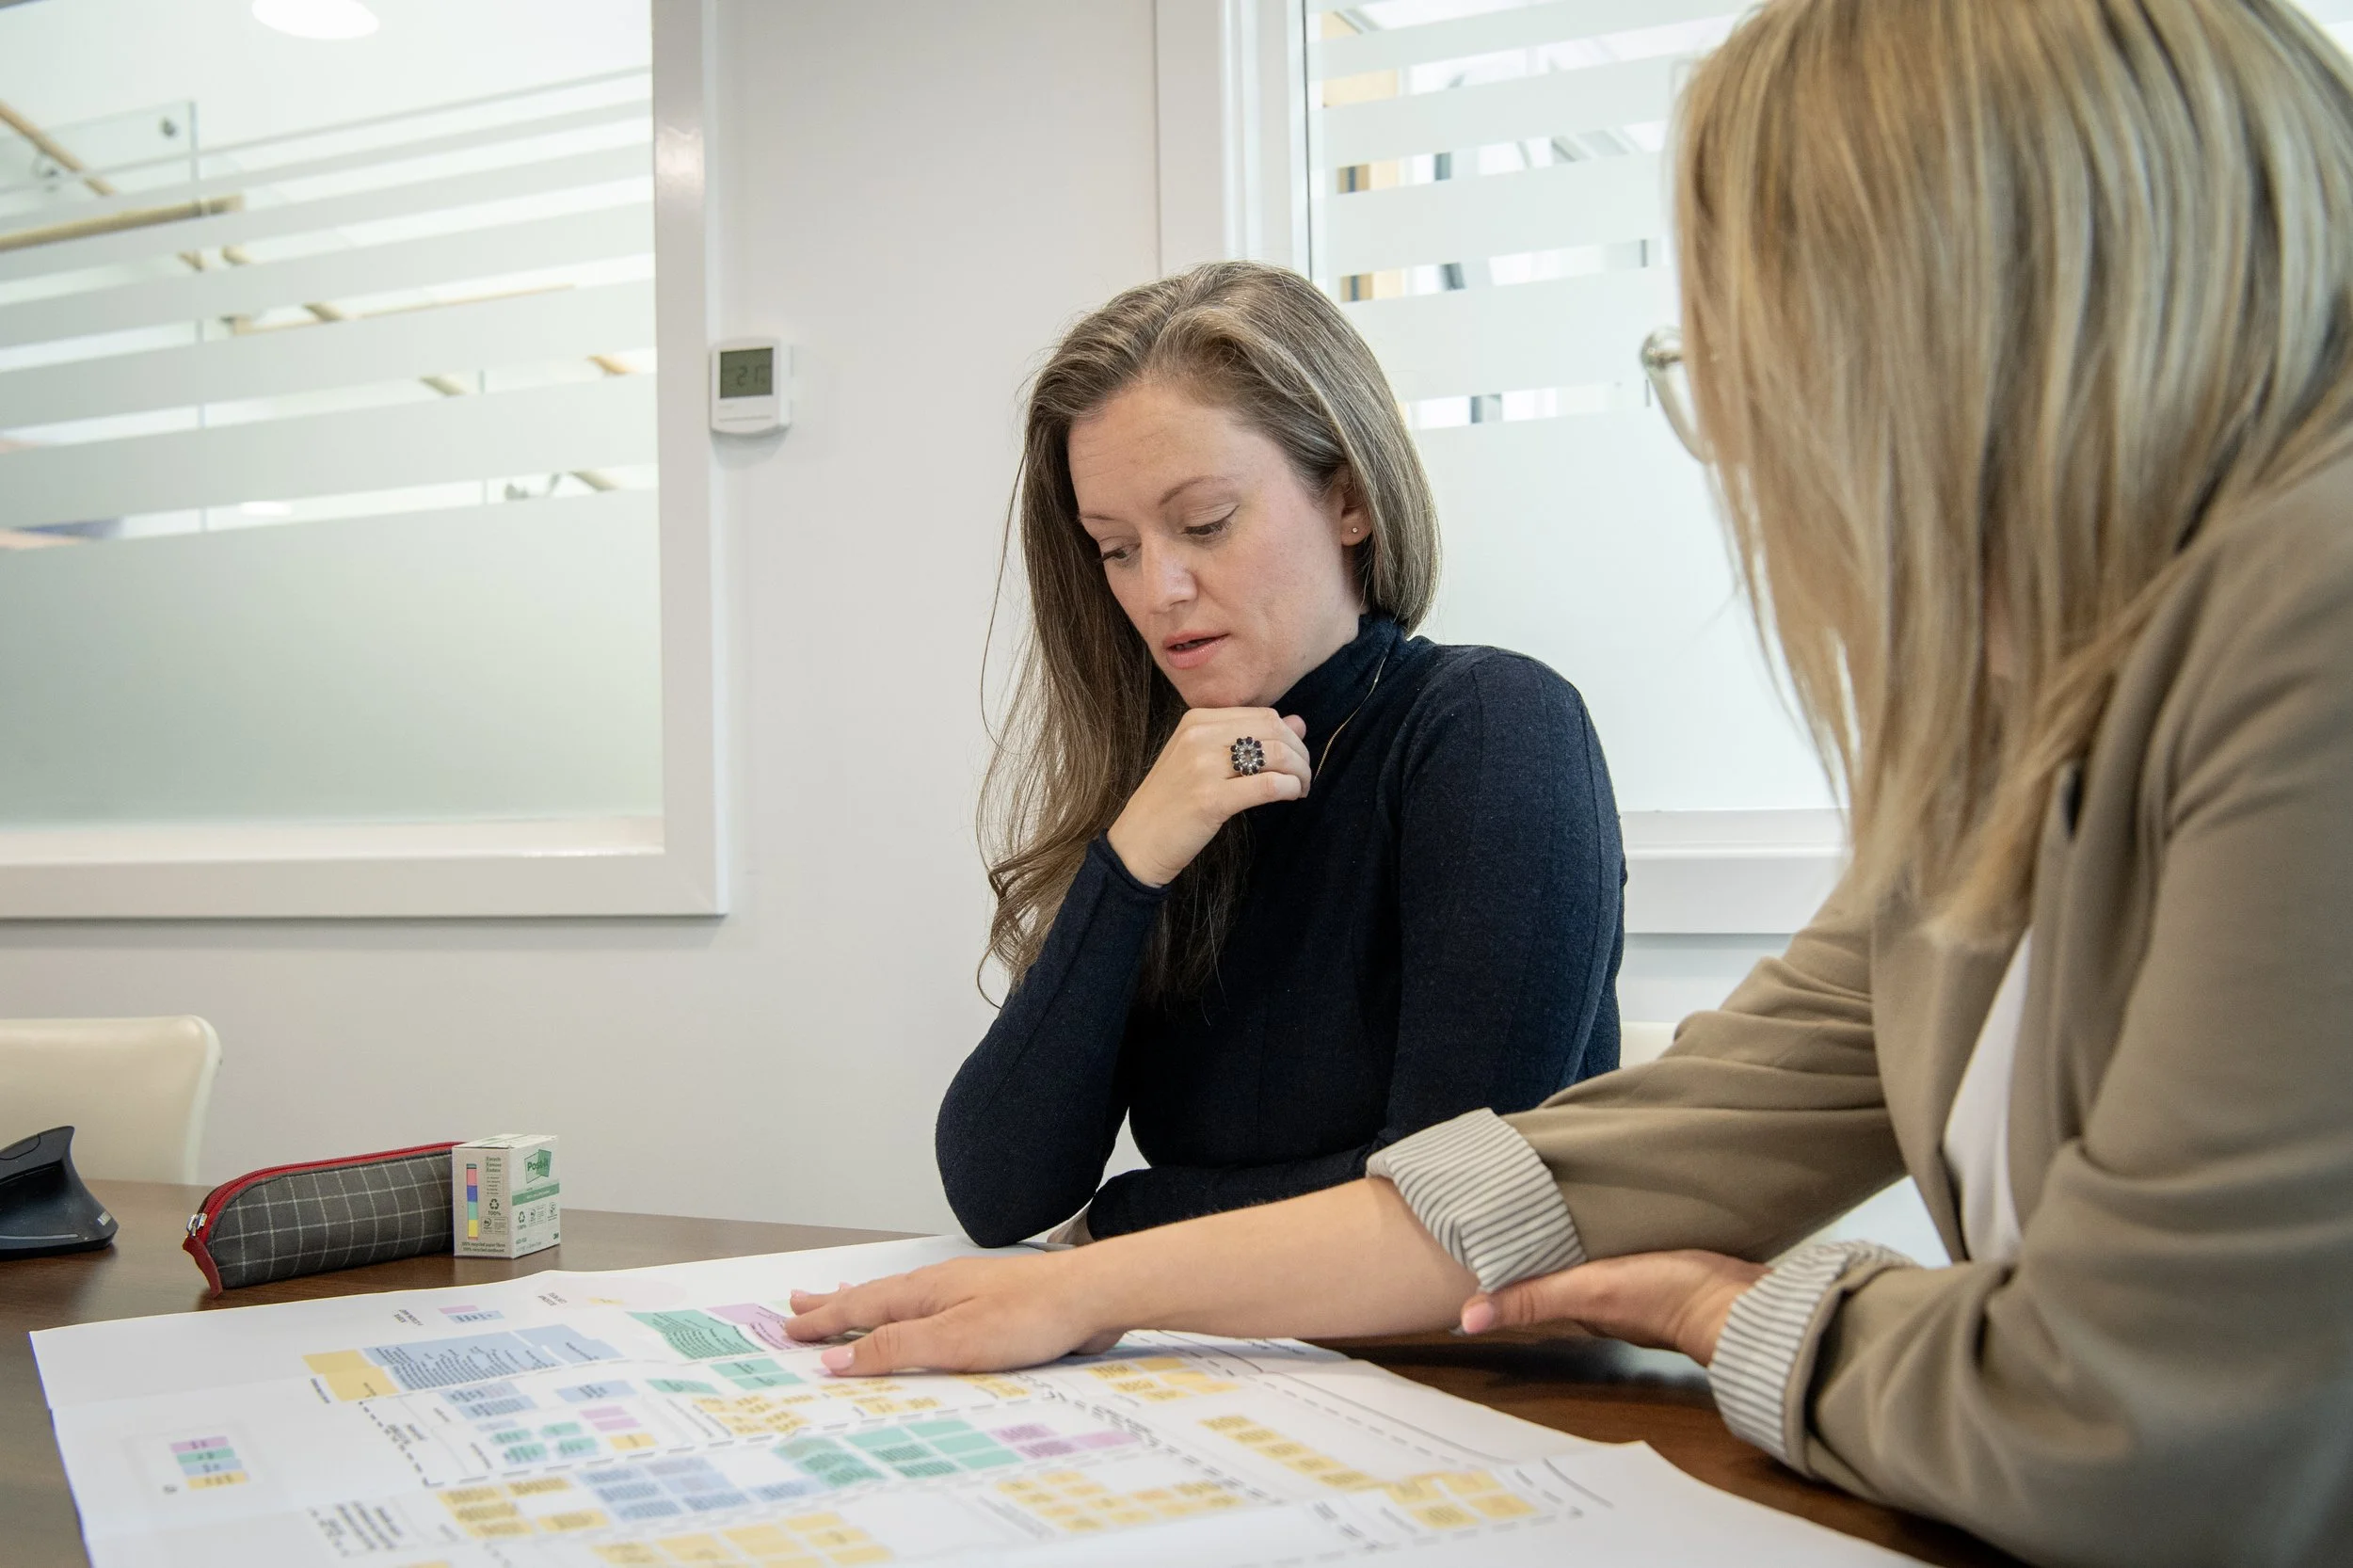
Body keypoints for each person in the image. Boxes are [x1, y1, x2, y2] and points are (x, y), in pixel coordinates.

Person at [792, 1, 2353, 1560]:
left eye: (1204, 520)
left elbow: (2126, 1426)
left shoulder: (2303, 611)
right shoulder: (2004, 748)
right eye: (1117, 549)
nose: (1746, 434)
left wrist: (1726, 1306)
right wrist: (1089, 1225)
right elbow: (1616, 1147)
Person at [935, 264, 1626, 1248]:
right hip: (1215, 1370)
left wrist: (1134, 1214)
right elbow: (997, 1192)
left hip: (1455, 1378)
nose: (1158, 589)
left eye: (1204, 523)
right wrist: (1127, 868)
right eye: (1114, 547)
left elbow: (1460, 1214)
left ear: (1348, 499)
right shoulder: (1179, 786)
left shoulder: (1492, 728)